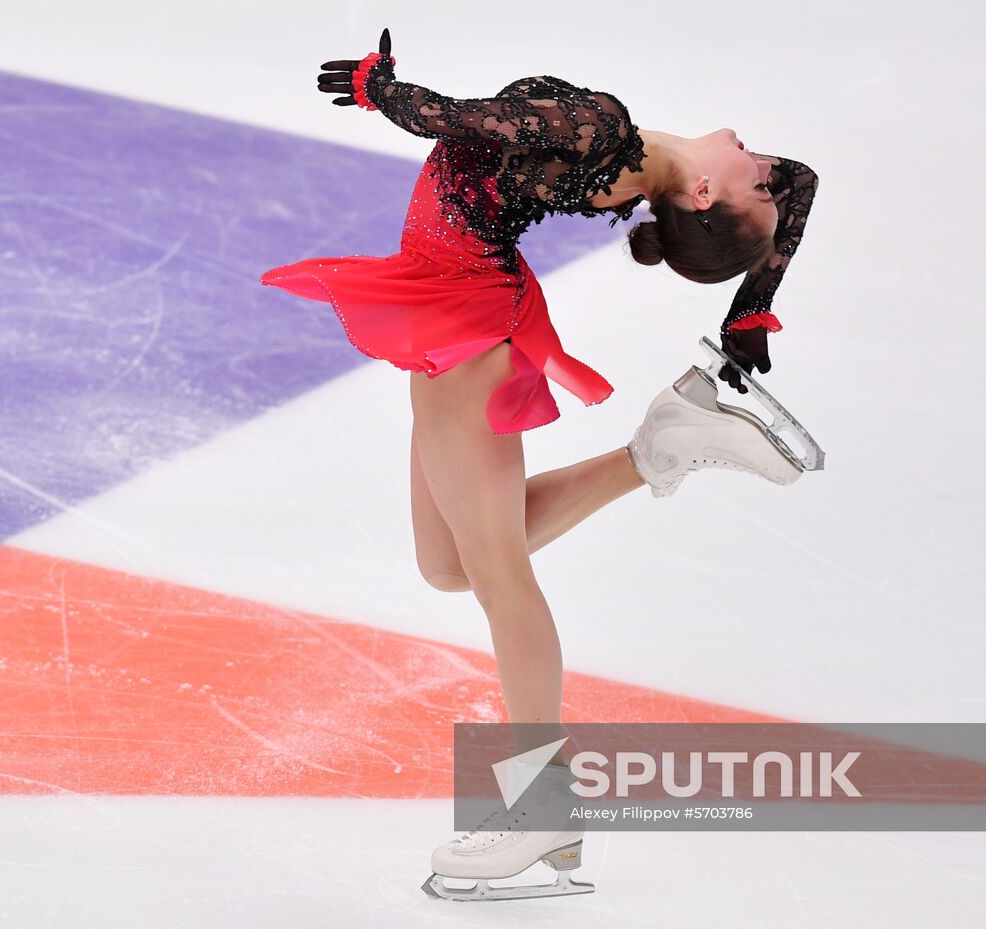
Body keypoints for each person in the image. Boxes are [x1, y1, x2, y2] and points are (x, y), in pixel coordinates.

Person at [258, 28, 820, 901]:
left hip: (467, 310)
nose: (760, 157)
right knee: (446, 564)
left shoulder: (600, 129)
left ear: (703, 191)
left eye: (749, 174)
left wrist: (378, 87)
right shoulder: (657, 161)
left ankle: (543, 804)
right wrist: (751, 309)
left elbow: (452, 120)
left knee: (493, 572)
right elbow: (804, 180)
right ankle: (658, 449)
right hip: (458, 284)